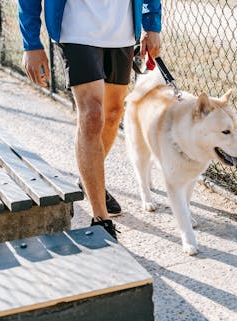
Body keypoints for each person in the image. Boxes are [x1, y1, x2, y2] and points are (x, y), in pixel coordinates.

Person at [17, 0, 162, 239]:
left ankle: (88, 180)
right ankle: (101, 219)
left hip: (122, 31)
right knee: (92, 116)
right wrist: (31, 42)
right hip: (75, 29)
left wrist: (151, 23)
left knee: (114, 113)